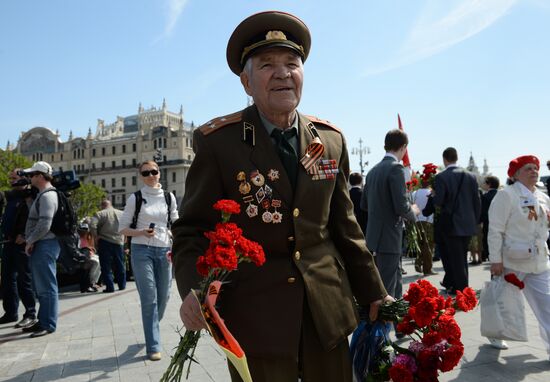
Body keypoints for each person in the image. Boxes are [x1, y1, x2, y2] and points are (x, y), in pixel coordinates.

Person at [172, 11, 389, 382]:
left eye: (292, 63)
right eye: (268, 64)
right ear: (246, 81)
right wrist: (195, 290)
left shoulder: (329, 140)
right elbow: (192, 229)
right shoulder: (219, 143)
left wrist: (374, 291)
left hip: (327, 312)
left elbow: (345, 226)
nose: (283, 73)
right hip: (256, 317)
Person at [487, 155, 550, 352]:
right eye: (528, 168)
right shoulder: (507, 195)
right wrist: (496, 260)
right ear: (515, 174)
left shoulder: (542, 196)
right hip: (513, 261)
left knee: (547, 306)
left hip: (539, 261)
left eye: (535, 168)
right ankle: (495, 334)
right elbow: (495, 229)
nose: (534, 171)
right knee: (504, 304)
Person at [119, 161, 178, 361]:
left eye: (154, 171)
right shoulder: (135, 198)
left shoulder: (169, 197)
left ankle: (152, 325)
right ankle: (153, 345)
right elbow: (122, 229)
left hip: (164, 249)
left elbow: (175, 222)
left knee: (165, 296)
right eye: (146, 173)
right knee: (149, 298)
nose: (151, 175)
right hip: (141, 249)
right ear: (141, 176)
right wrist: (141, 232)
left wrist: (174, 236)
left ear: (159, 173)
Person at [361, 129, 419, 300]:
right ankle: (382, 326)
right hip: (389, 237)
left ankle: (400, 324)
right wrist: (413, 212)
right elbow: (401, 206)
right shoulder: (396, 169)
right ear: (403, 147)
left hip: (373, 237)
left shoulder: (372, 171)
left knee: (393, 283)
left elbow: (364, 205)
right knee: (387, 290)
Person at [433, 147, 480, 294]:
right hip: (468, 223)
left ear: (444, 159)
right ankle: (459, 285)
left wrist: (433, 196)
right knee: (461, 256)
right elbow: (476, 201)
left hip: (451, 223)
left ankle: (461, 289)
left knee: (455, 257)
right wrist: (475, 221)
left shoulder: (441, 177)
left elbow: (439, 201)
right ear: (456, 158)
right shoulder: (471, 176)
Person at [22, 161, 60, 337]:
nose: (29, 178)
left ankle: (48, 324)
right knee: (42, 287)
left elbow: (45, 223)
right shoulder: (43, 195)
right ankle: (42, 320)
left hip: (45, 244)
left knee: (47, 286)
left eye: (32, 175)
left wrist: (30, 240)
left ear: (40, 176)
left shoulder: (47, 196)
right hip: (42, 244)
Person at [0, 169, 37, 328]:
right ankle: (10, 313)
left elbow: (33, 218)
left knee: (24, 280)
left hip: (22, 244)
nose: (10, 179)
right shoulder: (11, 196)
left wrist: (24, 234)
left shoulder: (30, 196)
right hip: (8, 243)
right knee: (8, 280)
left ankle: (30, 314)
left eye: (13, 177)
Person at [90, 199, 125, 293]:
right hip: (119, 242)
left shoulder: (99, 214)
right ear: (111, 204)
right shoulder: (122, 213)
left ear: (102, 206)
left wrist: (96, 236)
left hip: (105, 241)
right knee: (120, 264)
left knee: (106, 266)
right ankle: (122, 285)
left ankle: (110, 287)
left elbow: (92, 225)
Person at [412, 179, 437, 275]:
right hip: (428, 221)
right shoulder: (430, 192)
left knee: (421, 244)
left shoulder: (415, 193)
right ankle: (427, 268)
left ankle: (419, 262)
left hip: (417, 220)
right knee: (429, 246)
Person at [480, 175, 499, 262]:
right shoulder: (501, 194)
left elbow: (483, 212)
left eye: (484, 183)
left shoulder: (485, 197)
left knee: (489, 241)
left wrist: (479, 221)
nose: (483, 185)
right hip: (501, 223)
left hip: (489, 223)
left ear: (489, 184)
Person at [77, 222, 100, 293]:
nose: (84, 232)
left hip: (88, 255)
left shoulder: (87, 238)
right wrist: (87, 248)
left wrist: (90, 249)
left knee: (98, 261)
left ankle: (92, 283)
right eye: (83, 231)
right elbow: (79, 248)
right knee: (95, 263)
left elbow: (90, 248)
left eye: (85, 231)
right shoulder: (78, 238)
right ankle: (91, 283)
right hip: (82, 256)